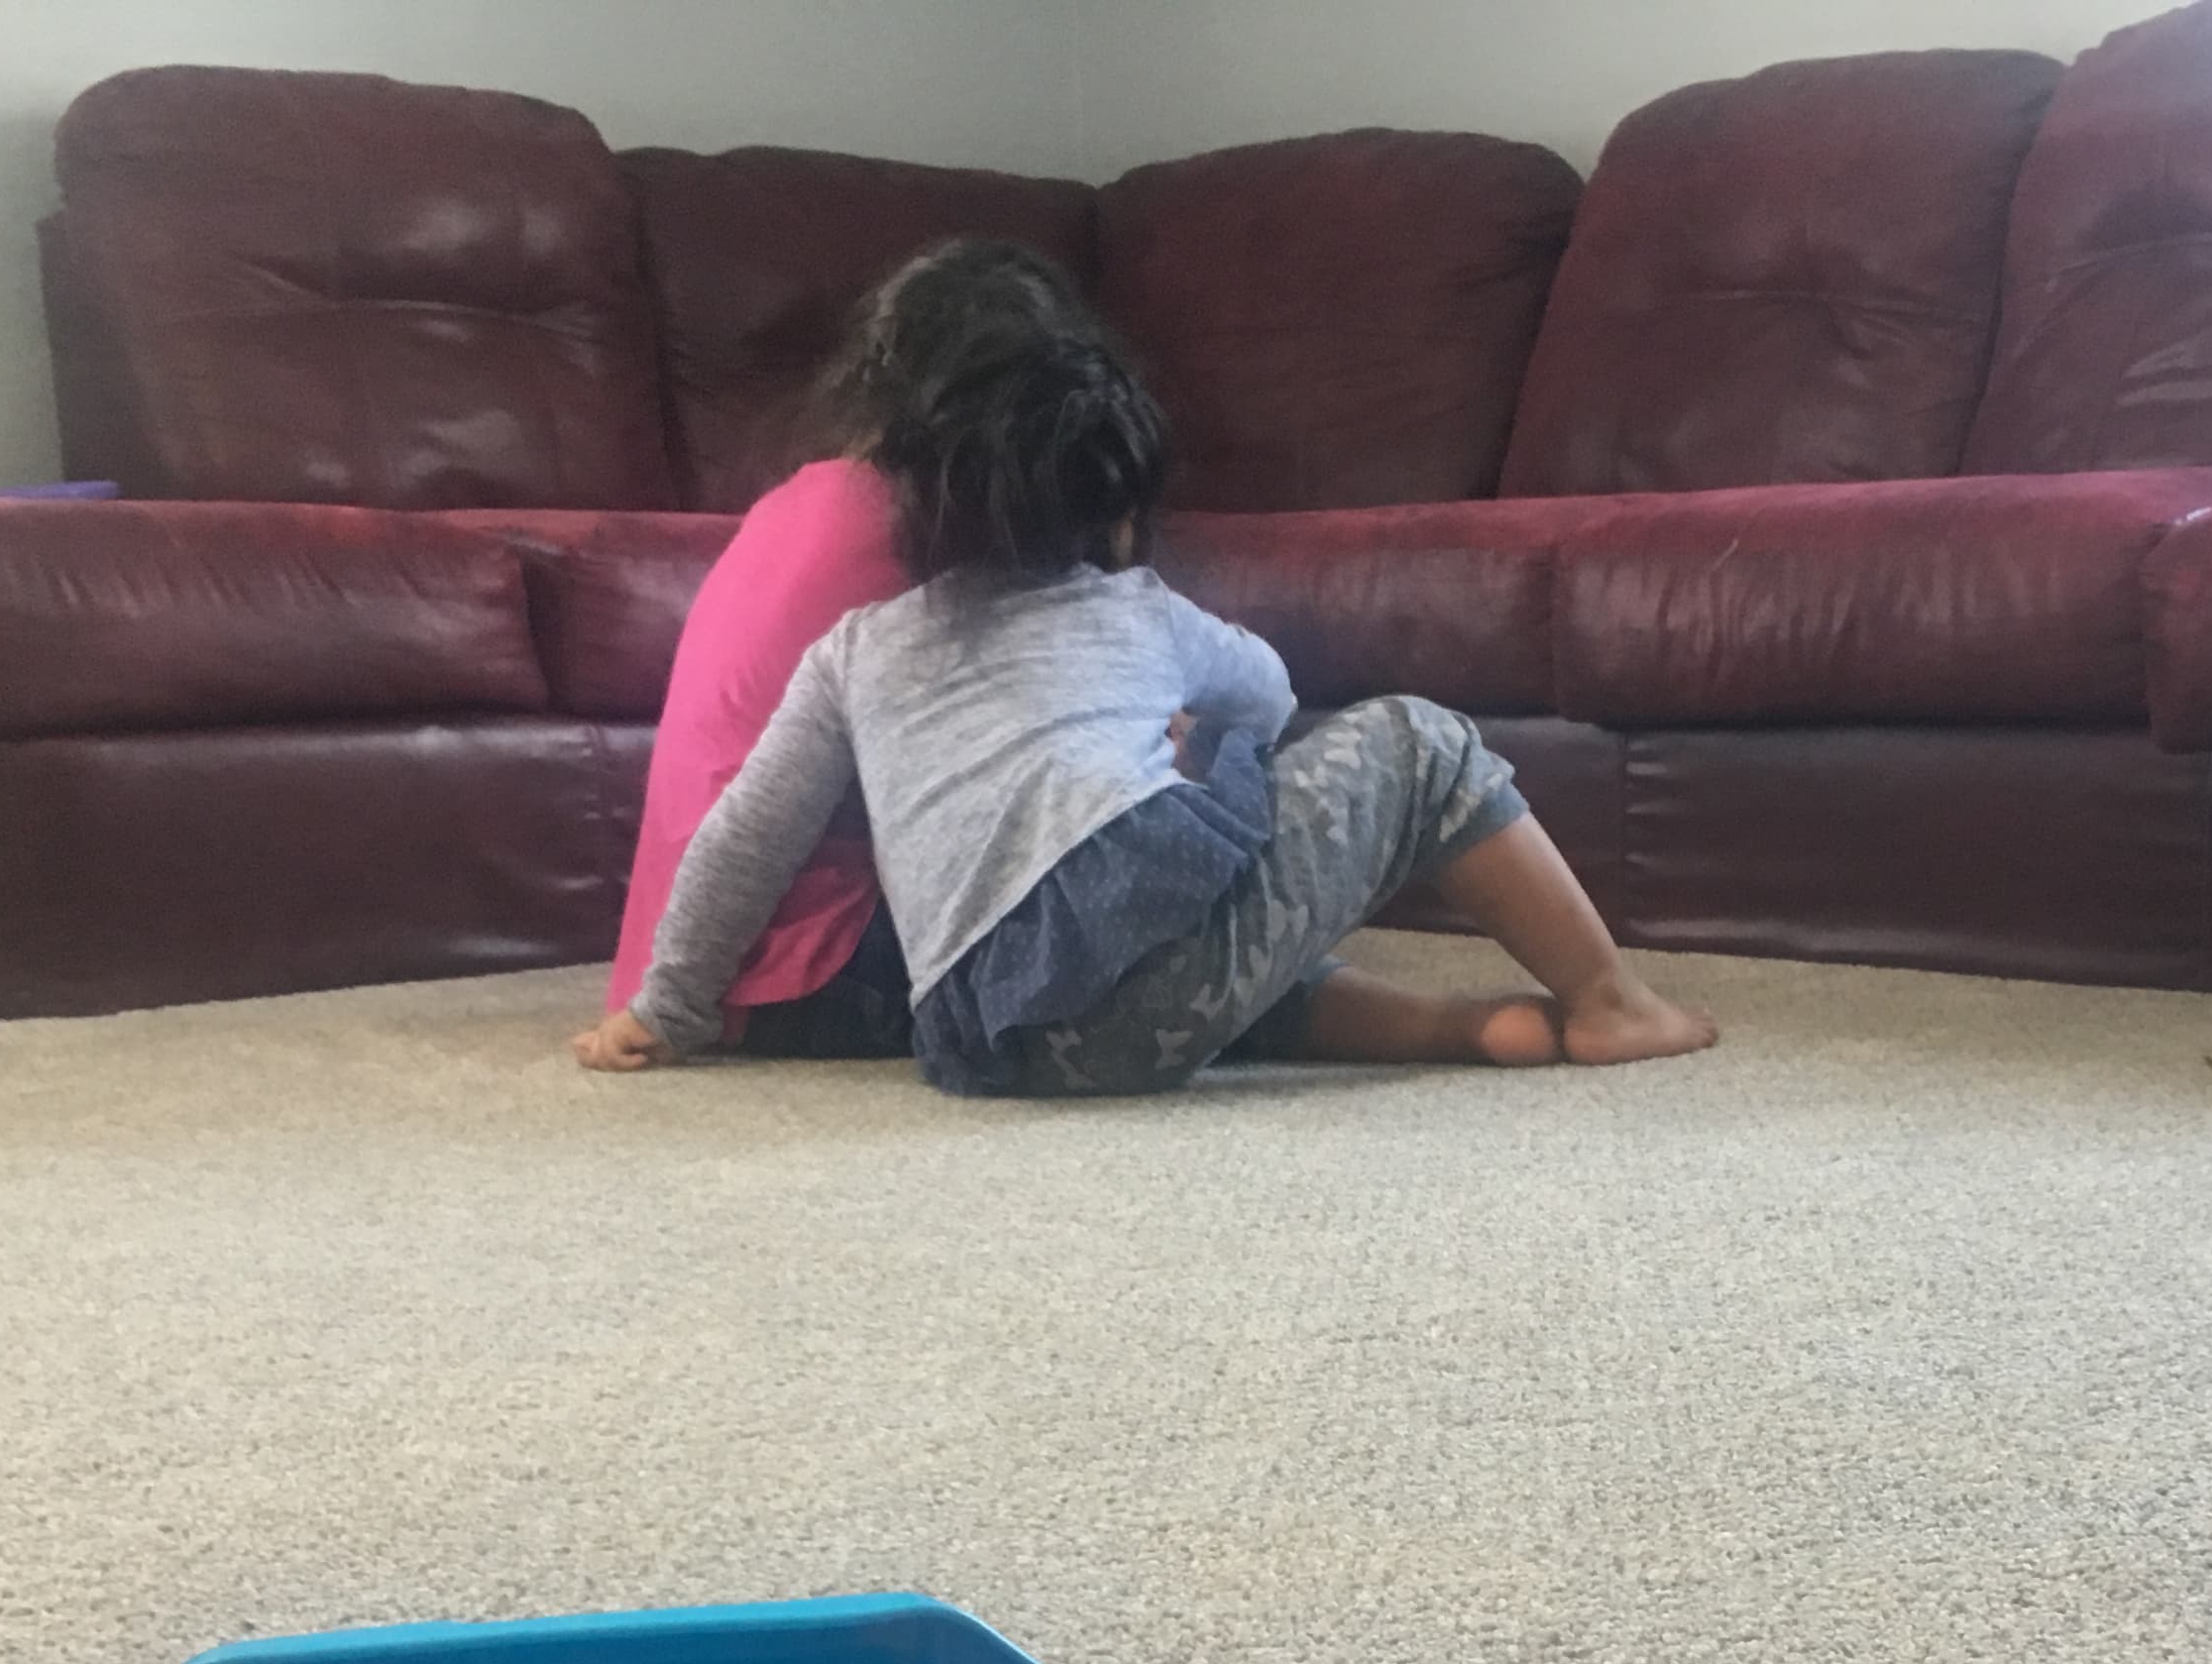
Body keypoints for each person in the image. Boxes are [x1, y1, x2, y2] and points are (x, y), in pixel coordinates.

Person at [573, 260, 1712, 1093]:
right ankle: (1614, 1003)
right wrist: (1192, 748)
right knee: (1419, 744)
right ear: (1119, 507)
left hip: (980, 1043)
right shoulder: (1146, 610)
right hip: (1134, 1005)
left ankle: (1457, 1033)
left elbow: (743, 836)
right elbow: (1264, 696)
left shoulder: (858, 645)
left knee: (1166, 942)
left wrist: (664, 1010)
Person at [602, 240, 1082, 1058]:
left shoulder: (796, 502)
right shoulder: (924, 539)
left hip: (696, 959)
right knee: (1134, 908)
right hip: (805, 966)